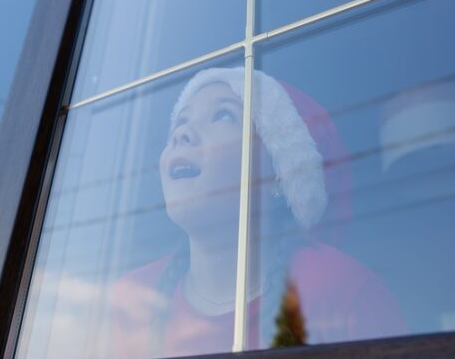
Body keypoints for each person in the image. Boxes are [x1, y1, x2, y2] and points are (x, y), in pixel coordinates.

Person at [110, 68, 406, 358]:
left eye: (223, 115)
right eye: (181, 121)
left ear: (279, 174)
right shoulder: (129, 301)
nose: (181, 134)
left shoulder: (344, 292)